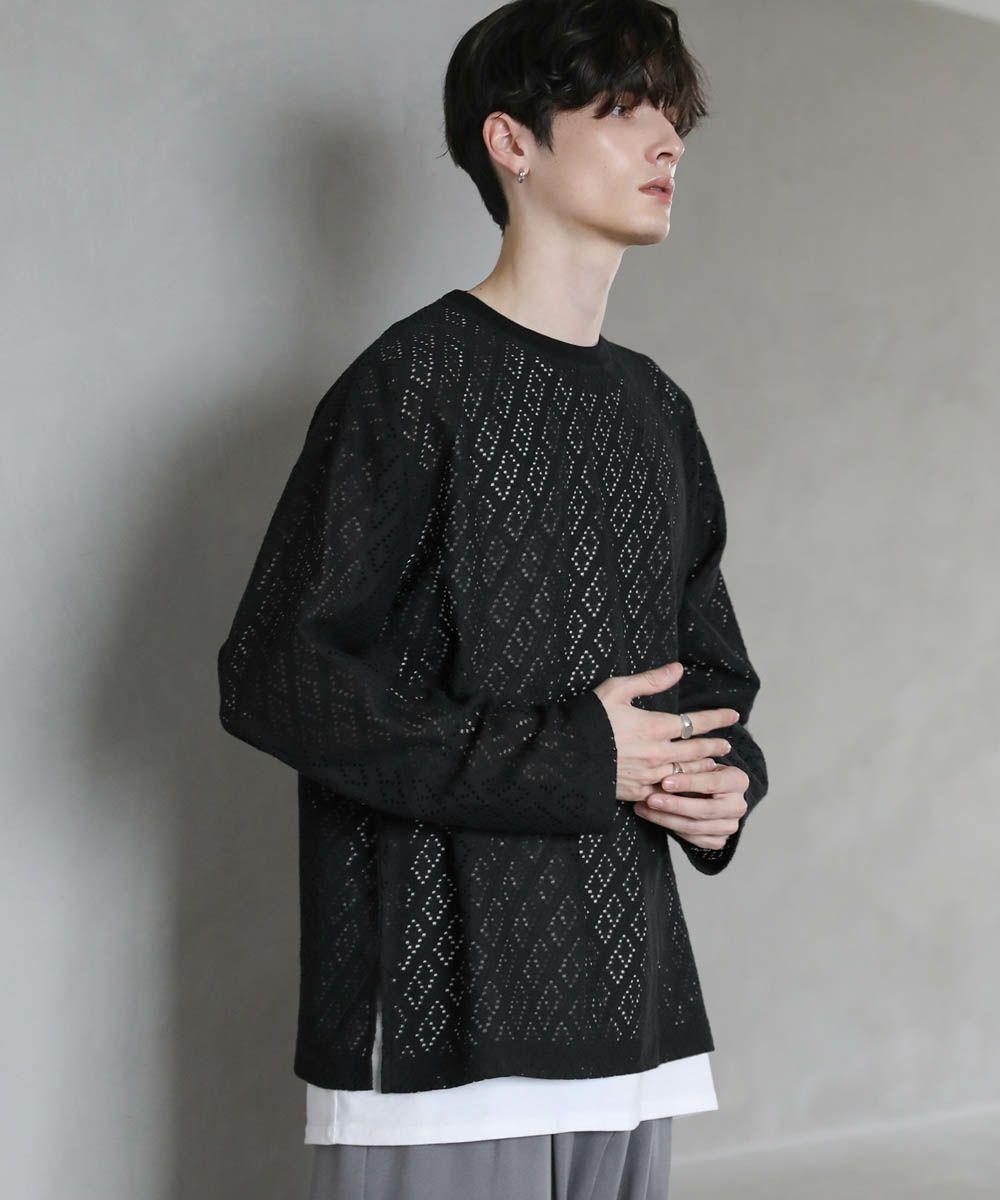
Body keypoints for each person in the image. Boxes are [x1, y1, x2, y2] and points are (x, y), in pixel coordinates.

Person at [216, 1, 769, 1197]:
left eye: (673, 114)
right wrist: (575, 755)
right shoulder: (409, 383)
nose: (666, 141)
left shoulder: (656, 409)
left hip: (631, 1018)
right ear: (511, 141)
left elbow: (709, 675)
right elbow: (274, 675)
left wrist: (723, 784)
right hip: (441, 1028)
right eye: (622, 110)